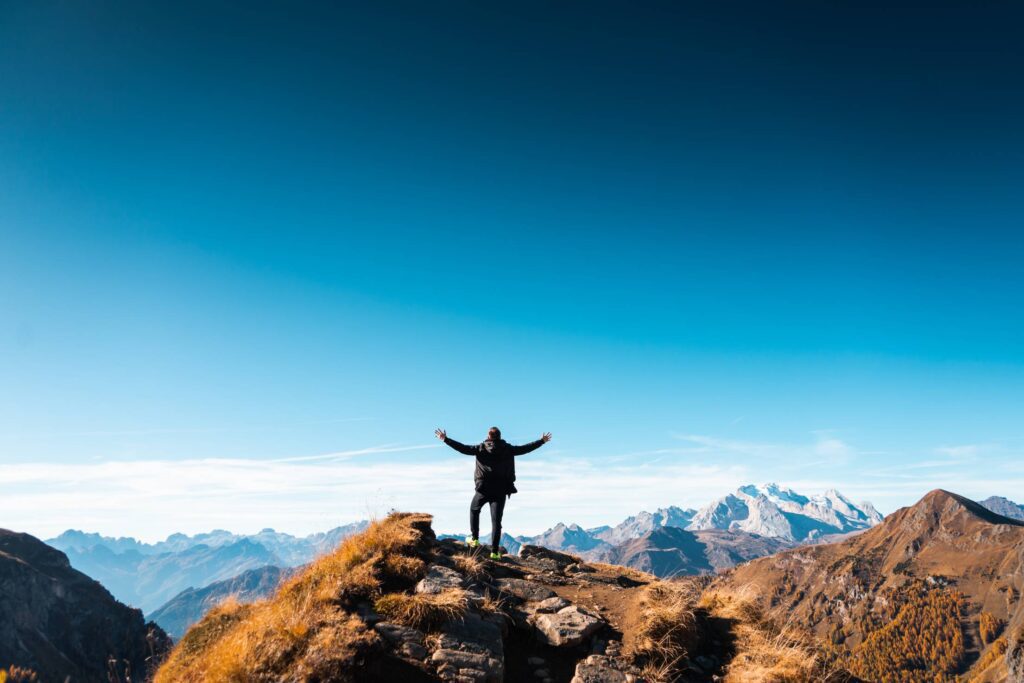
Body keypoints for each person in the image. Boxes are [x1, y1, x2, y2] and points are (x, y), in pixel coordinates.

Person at [435, 426, 552, 559]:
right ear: (500, 437)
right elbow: (525, 449)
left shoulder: (480, 448)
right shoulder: (508, 449)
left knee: (474, 510)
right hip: (501, 489)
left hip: (483, 488)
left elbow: (462, 448)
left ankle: (474, 539)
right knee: (496, 521)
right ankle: (495, 552)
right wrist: (541, 441)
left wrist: (445, 439)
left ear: (488, 437)